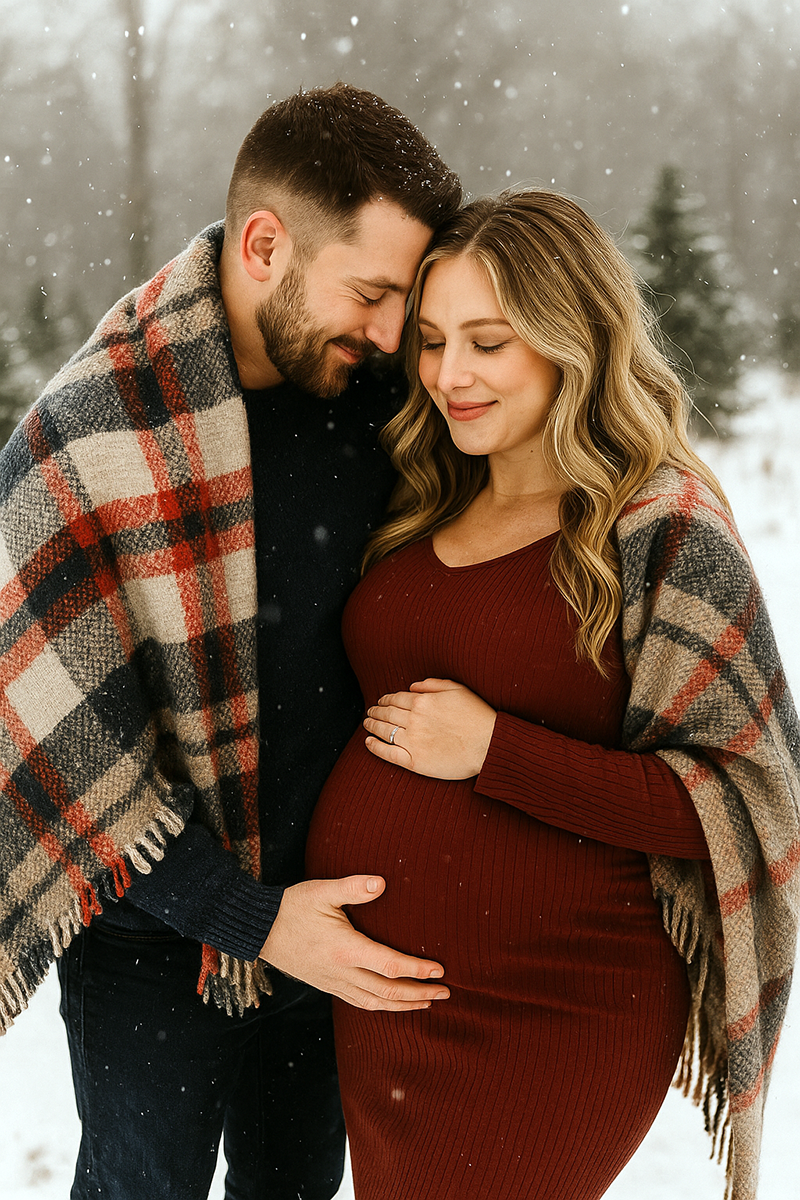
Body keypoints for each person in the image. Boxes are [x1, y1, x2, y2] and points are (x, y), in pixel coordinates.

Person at [0, 84, 461, 1199]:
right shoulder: (87, 438)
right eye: (372, 294)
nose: (394, 335)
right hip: (153, 944)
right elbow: (65, 758)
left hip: (339, 912)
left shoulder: (384, 404)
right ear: (265, 245)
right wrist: (250, 920)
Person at [305, 190, 800, 1200]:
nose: (449, 376)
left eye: (489, 342)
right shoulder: (419, 498)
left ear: (570, 337)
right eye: (434, 340)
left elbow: (743, 799)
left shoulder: (658, 528)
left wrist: (497, 753)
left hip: (557, 1003)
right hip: (383, 1008)